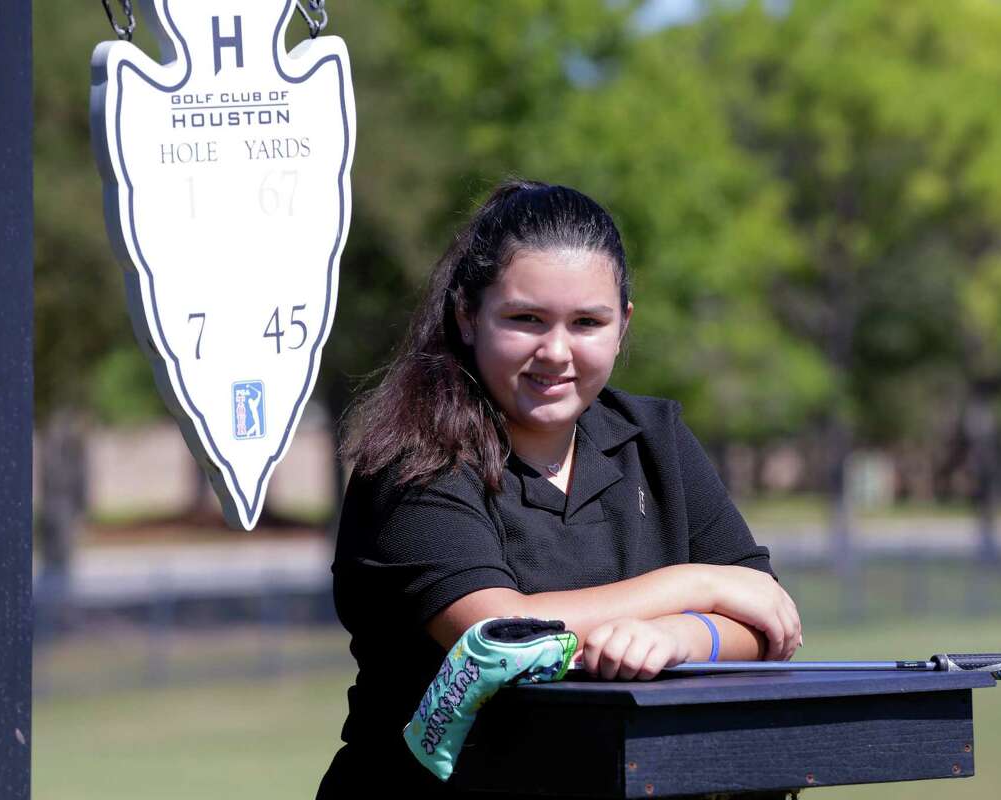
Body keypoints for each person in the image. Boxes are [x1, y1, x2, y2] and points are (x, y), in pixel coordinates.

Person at [317, 179, 801, 798]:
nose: (556, 351)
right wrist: (697, 586)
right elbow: (497, 638)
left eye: (587, 323)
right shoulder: (414, 458)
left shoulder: (657, 437)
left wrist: (679, 638)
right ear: (468, 316)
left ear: (623, 325)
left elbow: (768, 619)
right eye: (525, 320)